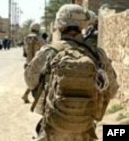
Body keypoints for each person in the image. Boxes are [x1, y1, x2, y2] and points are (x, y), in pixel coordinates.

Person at [25, 4, 119, 141]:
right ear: (83, 25)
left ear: (59, 24)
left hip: (53, 128)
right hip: (85, 129)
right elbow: (112, 90)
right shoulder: (97, 54)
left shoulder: (49, 51)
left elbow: (30, 80)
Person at [22, 23, 45, 103]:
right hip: (37, 63)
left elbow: (25, 52)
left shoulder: (26, 38)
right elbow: (44, 49)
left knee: (32, 80)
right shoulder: (39, 39)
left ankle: (25, 95)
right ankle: (30, 97)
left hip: (28, 62)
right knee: (38, 80)